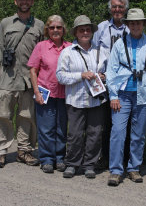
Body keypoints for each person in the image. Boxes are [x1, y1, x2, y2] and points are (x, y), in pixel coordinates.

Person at [106, 8, 146, 186]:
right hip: (122, 93)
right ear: (128, 25)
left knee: (138, 134)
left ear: (143, 24)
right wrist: (113, 95)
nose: (135, 26)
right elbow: (111, 71)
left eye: (138, 22)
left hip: (144, 94)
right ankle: (115, 170)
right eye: (132, 23)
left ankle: (134, 168)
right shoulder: (119, 44)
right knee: (118, 132)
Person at [0, 0, 44, 168]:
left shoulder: (39, 25)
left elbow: (43, 53)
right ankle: (0, 152)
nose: (24, 2)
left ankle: (24, 150)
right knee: (3, 116)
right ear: (15, 1)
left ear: (32, 2)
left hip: (29, 81)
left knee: (26, 117)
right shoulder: (6, 23)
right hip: (8, 78)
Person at [56, 15, 107, 179]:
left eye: (88, 29)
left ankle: (89, 164)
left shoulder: (101, 52)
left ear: (92, 32)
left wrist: (104, 76)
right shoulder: (67, 52)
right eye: (81, 30)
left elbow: (110, 72)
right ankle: (72, 163)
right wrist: (81, 75)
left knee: (95, 133)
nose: (85, 32)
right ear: (76, 33)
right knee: (75, 134)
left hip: (96, 100)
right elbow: (61, 76)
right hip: (76, 100)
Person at [27, 15, 71, 173]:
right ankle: (46, 159)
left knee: (61, 127)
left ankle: (60, 158)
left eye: (59, 27)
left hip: (65, 94)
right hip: (45, 92)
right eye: (52, 27)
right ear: (47, 30)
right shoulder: (41, 46)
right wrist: (36, 91)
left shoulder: (70, 47)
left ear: (63, 30)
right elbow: (33, 69)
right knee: (46, 128)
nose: (55, 30)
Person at [92, 0, 130, 168]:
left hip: (124, 83)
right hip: (103, 81)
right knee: (104, 121)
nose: (117, 10)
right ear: (110, 8)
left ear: (125, 9)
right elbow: (92, 51)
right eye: (114, 6)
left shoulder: (130, 29)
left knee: (124, 123)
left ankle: (125, 158)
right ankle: (104, 156)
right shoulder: (101, 28)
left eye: (120, 7)